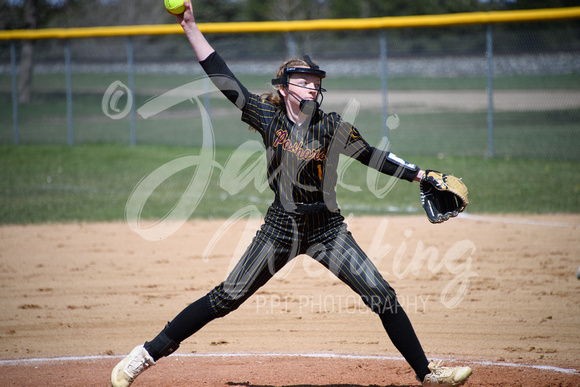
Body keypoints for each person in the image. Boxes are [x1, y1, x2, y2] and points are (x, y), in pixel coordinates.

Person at [111, 2, 473, 386]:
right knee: (226, 298)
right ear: (283, 88)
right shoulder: (267, 117)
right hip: (280, 228)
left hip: (327, 229)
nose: (312, 85)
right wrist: (189, 26)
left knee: (381, 293)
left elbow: (374, 157)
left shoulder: (333, 126)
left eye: (316, 80)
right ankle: (143, 356)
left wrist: (421, 175)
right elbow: (221, 74)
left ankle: (427, 373)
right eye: (303, 80)